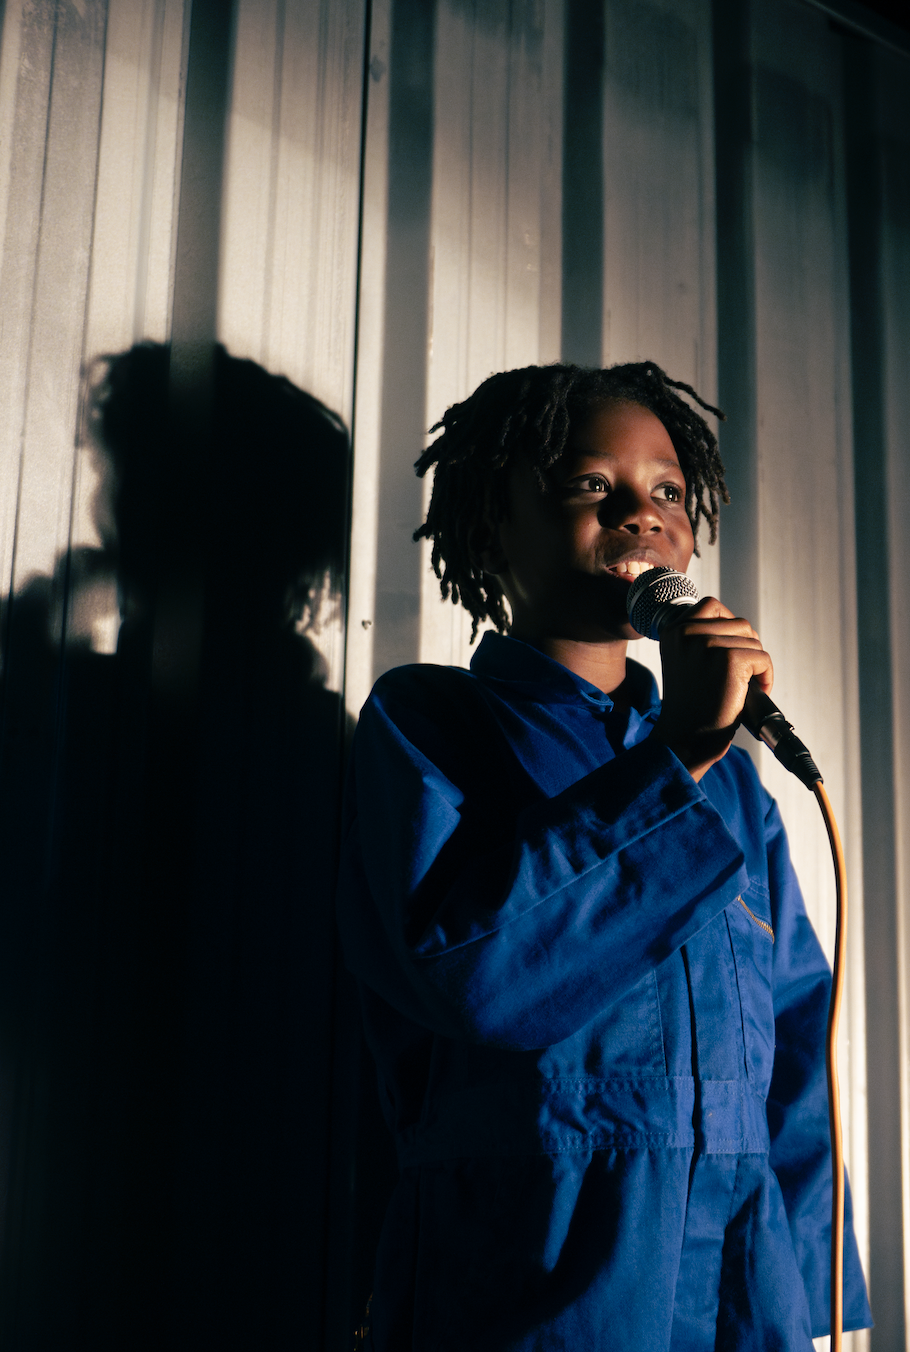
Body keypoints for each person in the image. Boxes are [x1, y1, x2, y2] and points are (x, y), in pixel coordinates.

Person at [336, 362, 870, 1350]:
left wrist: (827, 1298)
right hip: (537, 1280)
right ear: (492, 523)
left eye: (667, 490)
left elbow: (795, 1048)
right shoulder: (430, 722)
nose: (642, 511)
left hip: (742, 1293)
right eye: (592, 485)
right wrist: (674, 759)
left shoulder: (738, 788)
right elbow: (474, 978)